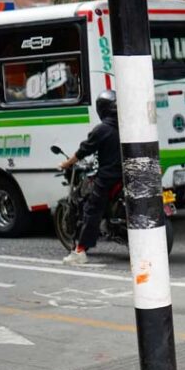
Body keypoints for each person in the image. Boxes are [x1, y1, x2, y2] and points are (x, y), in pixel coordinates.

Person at [59, 90, 121, 265]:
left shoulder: (102, 129)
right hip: (128, 174)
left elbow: (84, 150)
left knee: (91, 210)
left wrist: (66, 163)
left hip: (108, 176)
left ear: (101, 109)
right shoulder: (127, 126)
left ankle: (80, 252)